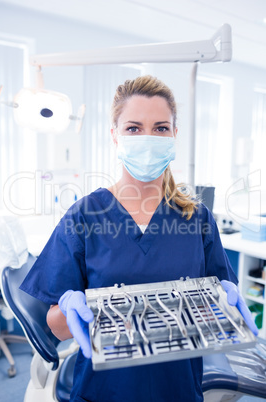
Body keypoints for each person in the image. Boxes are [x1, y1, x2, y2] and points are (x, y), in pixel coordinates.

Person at [20, 75, 258, 402]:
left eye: (160, 128)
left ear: (175, 134)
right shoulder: (84, 216)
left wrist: (222, 304)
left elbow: (215, 313)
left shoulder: (197, 218)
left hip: (178, 390)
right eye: (133, 128)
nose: (148, 137)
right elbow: (58, 329)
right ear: (114, 135)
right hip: (103, 391)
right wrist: (68, 309)